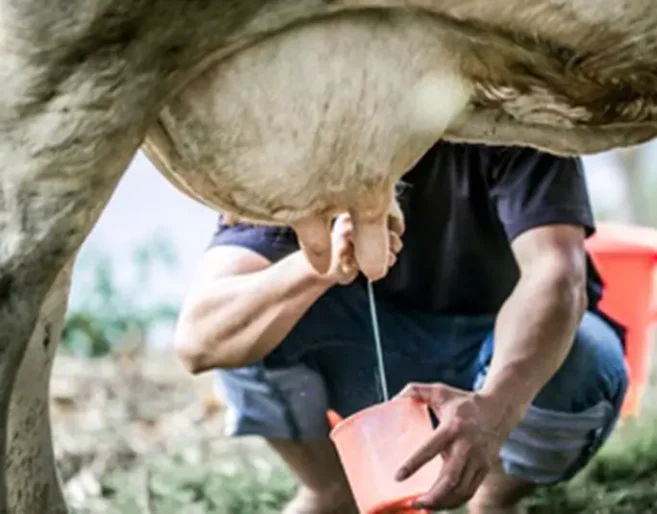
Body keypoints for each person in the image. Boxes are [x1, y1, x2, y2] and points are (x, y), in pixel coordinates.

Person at [173, 141, 628, 513]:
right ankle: (332, 491)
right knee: (248, 324)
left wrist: (496, 410)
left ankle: (493, 496)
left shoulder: (518, 115)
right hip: (375, 364)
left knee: (584, 356)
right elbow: (199, 339)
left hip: (502, 357)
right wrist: (318, 268)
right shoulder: (302, 144)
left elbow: (557, 275)